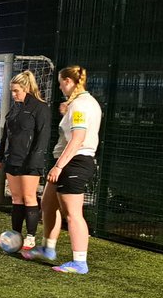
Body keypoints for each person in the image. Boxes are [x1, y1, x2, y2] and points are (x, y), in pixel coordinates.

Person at [23, 66, 103, 273]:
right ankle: (48, 249)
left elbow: (78, 139)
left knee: (73, 214)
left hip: (75, 161)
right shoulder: (79, 104)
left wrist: (59, 166)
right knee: (48, 205)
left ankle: (80, 262)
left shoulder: (81, 105)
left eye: (60, 83)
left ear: (69, 81)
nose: (60, 87)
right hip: (69, 160)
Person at [0, 70, 51, 251]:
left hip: (29, 162)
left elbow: (42, 137)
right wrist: (0, 155)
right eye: (12, 91)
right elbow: (6, 133)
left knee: (29, 197)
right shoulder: (16, 107)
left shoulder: (40, 108)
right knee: (16, 198)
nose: (13, 94)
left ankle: (31, 237)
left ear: (26, 88)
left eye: (16, 90)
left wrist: (34, 161)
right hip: (13, 159)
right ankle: (15, 234)